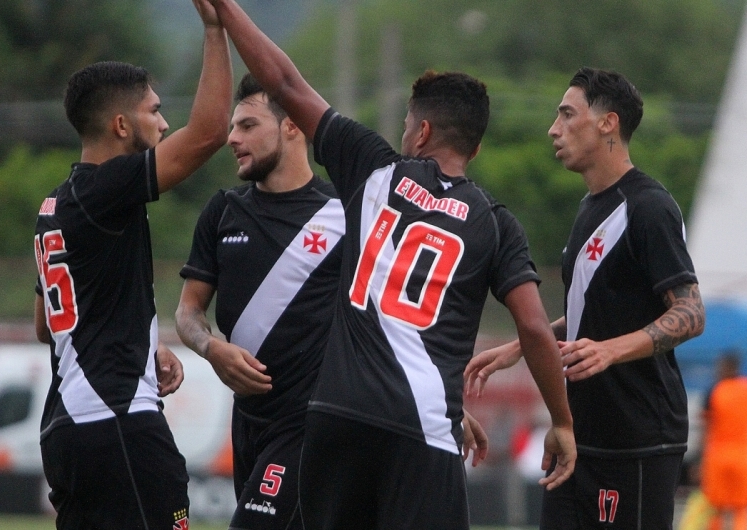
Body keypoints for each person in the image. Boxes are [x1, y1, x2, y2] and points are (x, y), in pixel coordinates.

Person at [206, 1, 577, 528]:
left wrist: (224, 8)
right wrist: (561, 421)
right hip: (421, 427)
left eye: (407, 123)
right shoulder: (494, 223)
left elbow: (284, 82)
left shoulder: (373, 169)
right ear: (474, 144)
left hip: (336, 417)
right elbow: (536, 328)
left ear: (422, 133)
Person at [174, 73, 489, 530]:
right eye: (233, 127)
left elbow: (394, 317)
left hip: (309, 421)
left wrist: (439, 404)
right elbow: (187, 313)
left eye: (247, 126)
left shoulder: (349, 210)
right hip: (247, 422)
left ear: (292, 127)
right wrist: (210, 347)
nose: (232, 139)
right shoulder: (222, 211)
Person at [465, 67, 706, 529]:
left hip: (636, 439)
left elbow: (692, 313)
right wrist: (523, 345)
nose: (554, 129)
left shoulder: (649, 207)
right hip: (579, 436)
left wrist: (610, 350)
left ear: (608, 123)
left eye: (566, 114)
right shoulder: (589, 207)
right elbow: (589, 309)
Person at [31, 1, 232, 528]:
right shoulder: (106, 189)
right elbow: (209, 132)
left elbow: (45, 324)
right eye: (155, 111)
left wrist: (139, 342)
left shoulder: (55, 206)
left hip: (66, 430)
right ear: (121, 125)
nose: (165, 123)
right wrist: (215, 29)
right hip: (117, 420)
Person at [701, 353, 747, 530]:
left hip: (717, 458)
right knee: (742, 509)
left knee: (715, 509)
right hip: (744, 458)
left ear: (726, 368)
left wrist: (699, 460)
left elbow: (707, 425)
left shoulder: (714, 390)